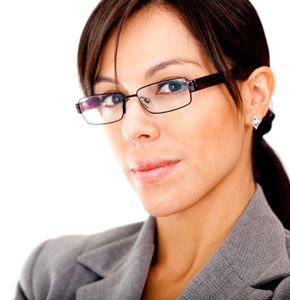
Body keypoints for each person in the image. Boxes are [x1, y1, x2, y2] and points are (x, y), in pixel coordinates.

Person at [15, 0, 290, 299]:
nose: (132, 129)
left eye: (171, 86)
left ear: (255, 95)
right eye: (111, 97)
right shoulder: (53, 275)